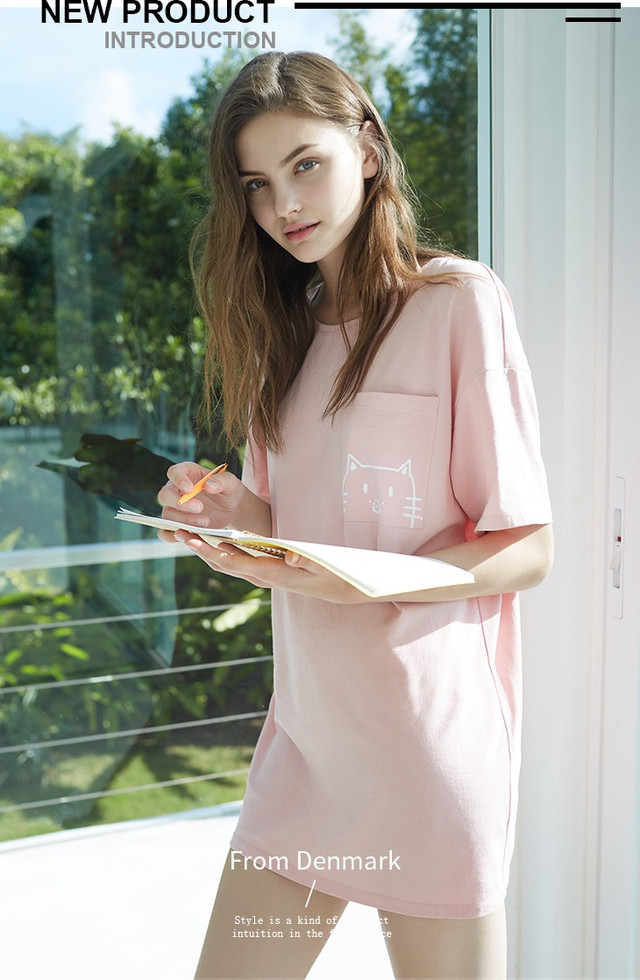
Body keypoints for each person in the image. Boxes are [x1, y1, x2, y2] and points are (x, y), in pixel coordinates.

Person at [157, 51, 553, 980]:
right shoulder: (280, 331)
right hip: (307, 744)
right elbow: (296, 529)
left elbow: (528, 546)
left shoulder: (457, 303)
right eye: (257, 184)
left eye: (306, 163)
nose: (284, 204)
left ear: (367, 151)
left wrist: (366, 583)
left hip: (427, 749)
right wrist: (233, 513)